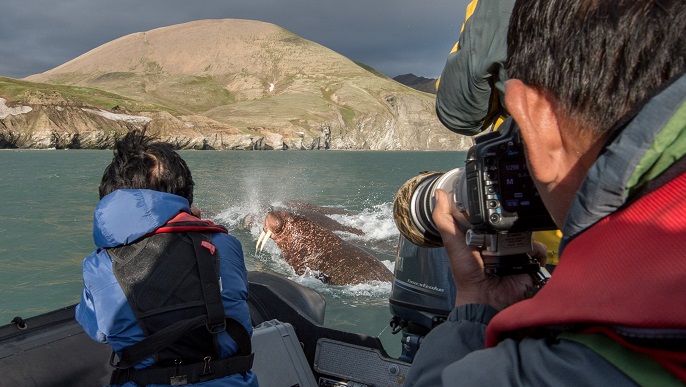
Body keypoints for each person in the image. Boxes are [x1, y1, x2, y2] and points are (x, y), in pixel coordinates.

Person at [406, 0, 686, 385]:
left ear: (540, 123)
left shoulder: (568, 367)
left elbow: (458, 112)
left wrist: (475, 307)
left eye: (517, 137)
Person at [75, 130, 258, 386]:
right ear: (184, 194)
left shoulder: (98, 266)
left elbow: (97, 330)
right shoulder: (224, 245)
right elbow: (237, 313)